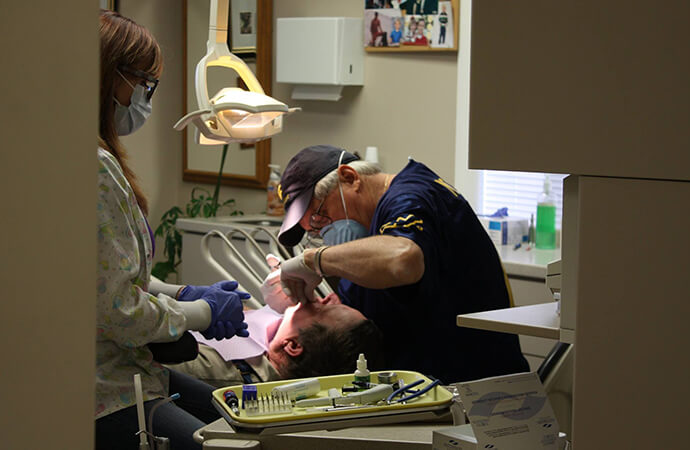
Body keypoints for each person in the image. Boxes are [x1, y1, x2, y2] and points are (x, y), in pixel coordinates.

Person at [96, 10, 250, 450]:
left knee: (233, 410)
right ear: (112, 76)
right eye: (145, 82)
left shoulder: (100, 158)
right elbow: (119, 310)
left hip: (130, 373)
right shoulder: (95, 166)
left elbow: (114, 274)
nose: (147, 95)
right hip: (103, 391)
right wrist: (202, 314)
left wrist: (183, 293)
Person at [276, 145, 530, 385]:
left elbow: (402, 260)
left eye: (321, 218)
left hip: (480, 390)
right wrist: (279, 310)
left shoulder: (411, 198)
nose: (325, 233)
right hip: (430, 390)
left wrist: (315, 259)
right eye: (315, 232)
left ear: (350, 177)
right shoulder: (367, 238)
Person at [168, 293, 385, 388]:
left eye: (324, 307)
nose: (328, 297)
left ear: (293, 346)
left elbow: (139, 338)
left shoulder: (221, 373)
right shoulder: (264, 343)